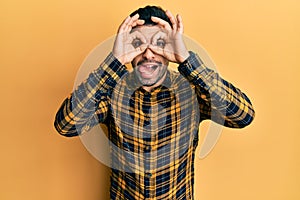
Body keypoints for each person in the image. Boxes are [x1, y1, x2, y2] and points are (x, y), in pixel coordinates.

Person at [54, 5, 255, 200]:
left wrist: (186, 59)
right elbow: (67, 124)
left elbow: (242, 115)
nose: (148, 54)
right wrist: (114, 61)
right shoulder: (112, 91)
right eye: (138, 44)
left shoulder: (192, 90)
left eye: (159, 44)